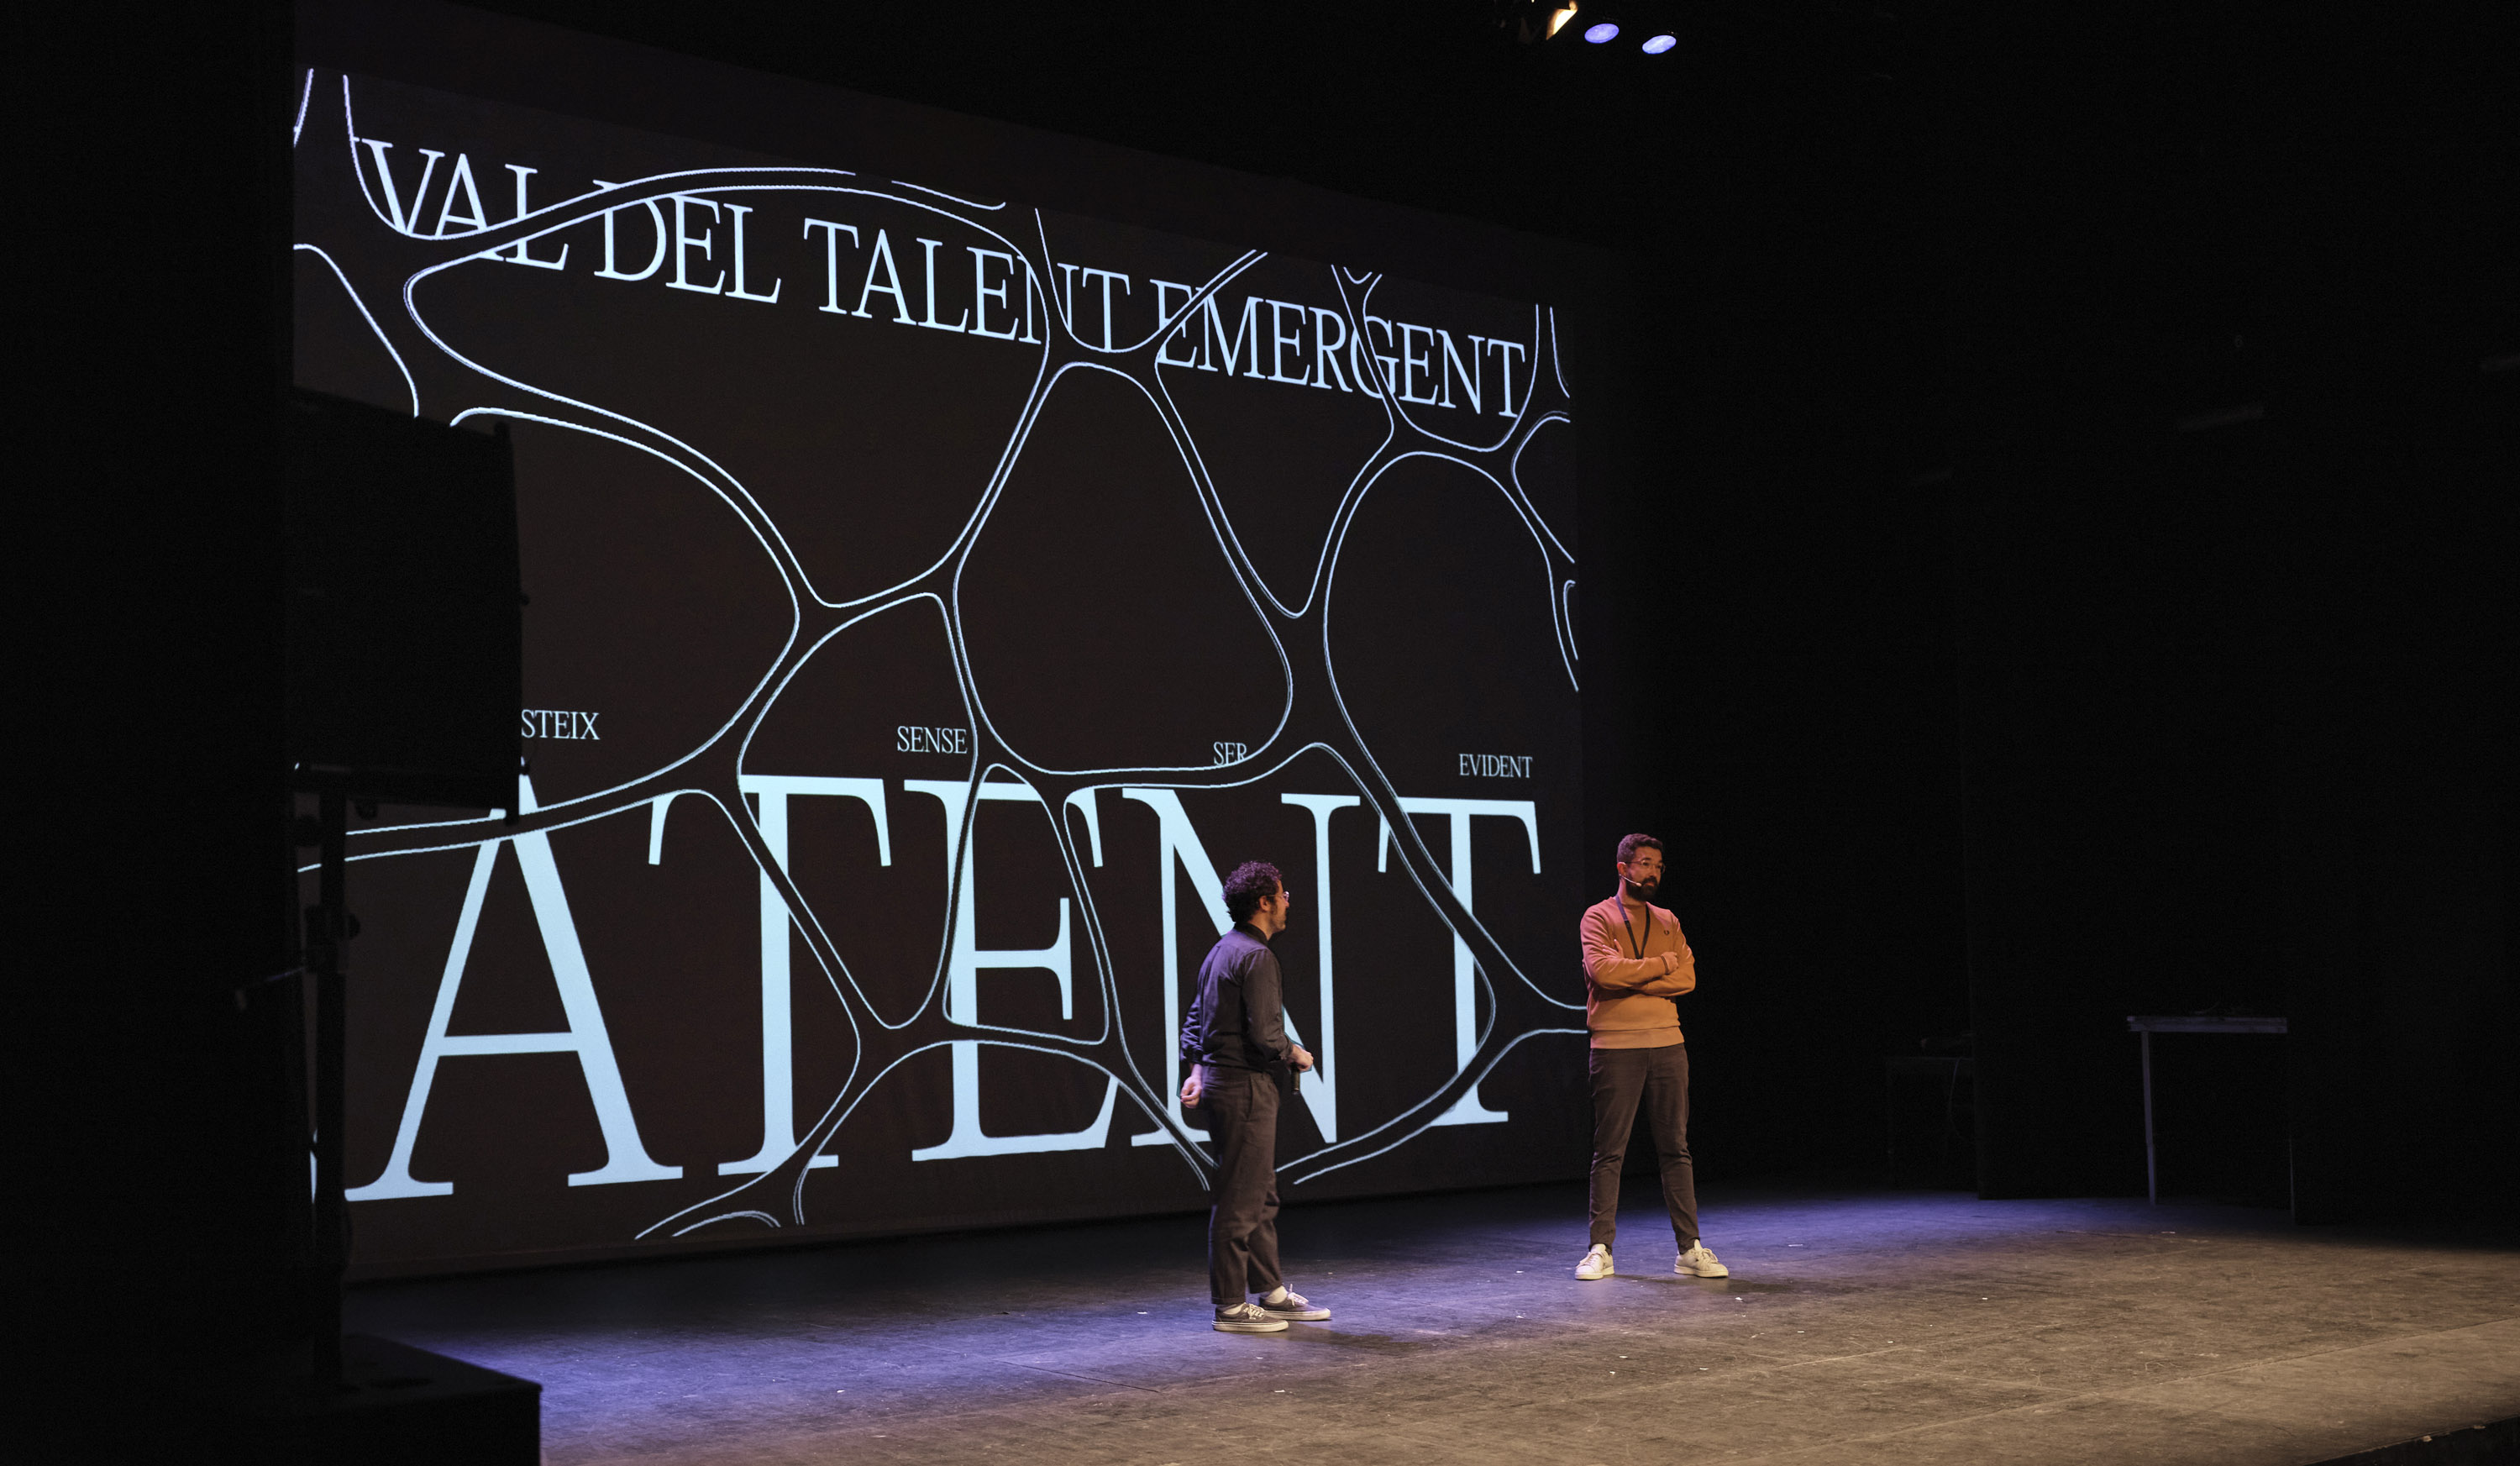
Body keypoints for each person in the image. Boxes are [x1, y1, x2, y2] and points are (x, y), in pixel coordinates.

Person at [1179, 860, 1332, 1333]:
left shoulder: (1221, 950)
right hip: (1245, 1088)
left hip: (1226, 1083)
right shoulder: (1256, 956)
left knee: (1259, 1194)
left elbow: (1196, 1021)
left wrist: (1198, 1069)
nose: (1287, 903)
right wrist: (1295, 1053)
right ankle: (1230, 1306)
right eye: (1283, 895)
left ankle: (1272, 1291)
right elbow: (1266, 1035)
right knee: (1240, 1200)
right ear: (1264, 903)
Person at [1573, 833, 1728, 1281]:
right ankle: (1601, 1249)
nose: (1653, 873)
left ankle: (1690, 1249)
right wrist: (1661, 965)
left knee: (1676, 1148)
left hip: (1667, 1043)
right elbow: (1603, 972)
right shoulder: (1598, 916)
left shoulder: (1668, 920)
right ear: (1623, 868)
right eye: (1644, 864)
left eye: (1659, 866)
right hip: (1615, 1045)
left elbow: (1688, 978)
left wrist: (1633, 976)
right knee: (1610, 1152)